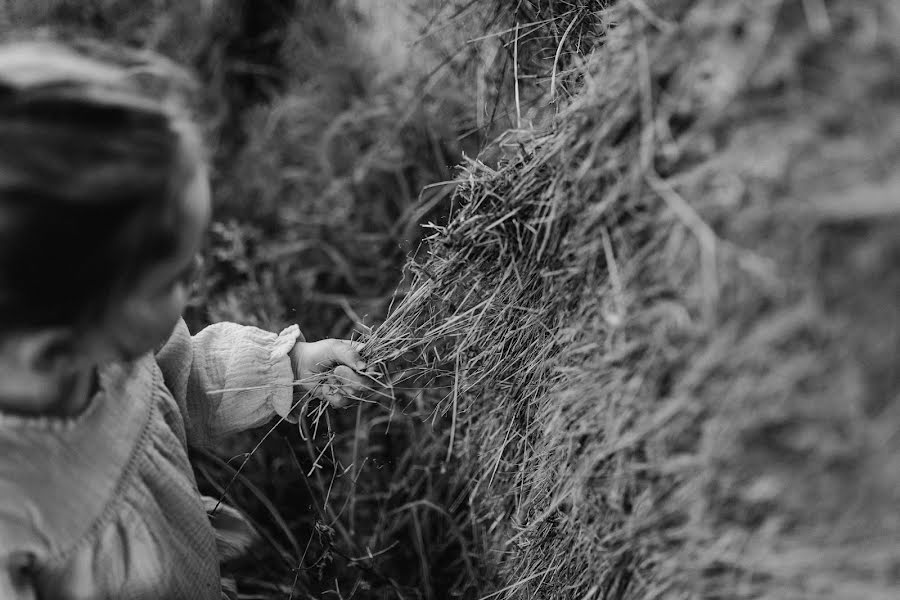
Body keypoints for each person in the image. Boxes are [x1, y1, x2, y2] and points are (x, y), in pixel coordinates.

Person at [0, 38, 369, 599]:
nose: (195, 274)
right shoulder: (18, 516)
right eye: (169, 277)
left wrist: (292, 364)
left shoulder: (116, 348)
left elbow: (188, 376)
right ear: (59, 345)